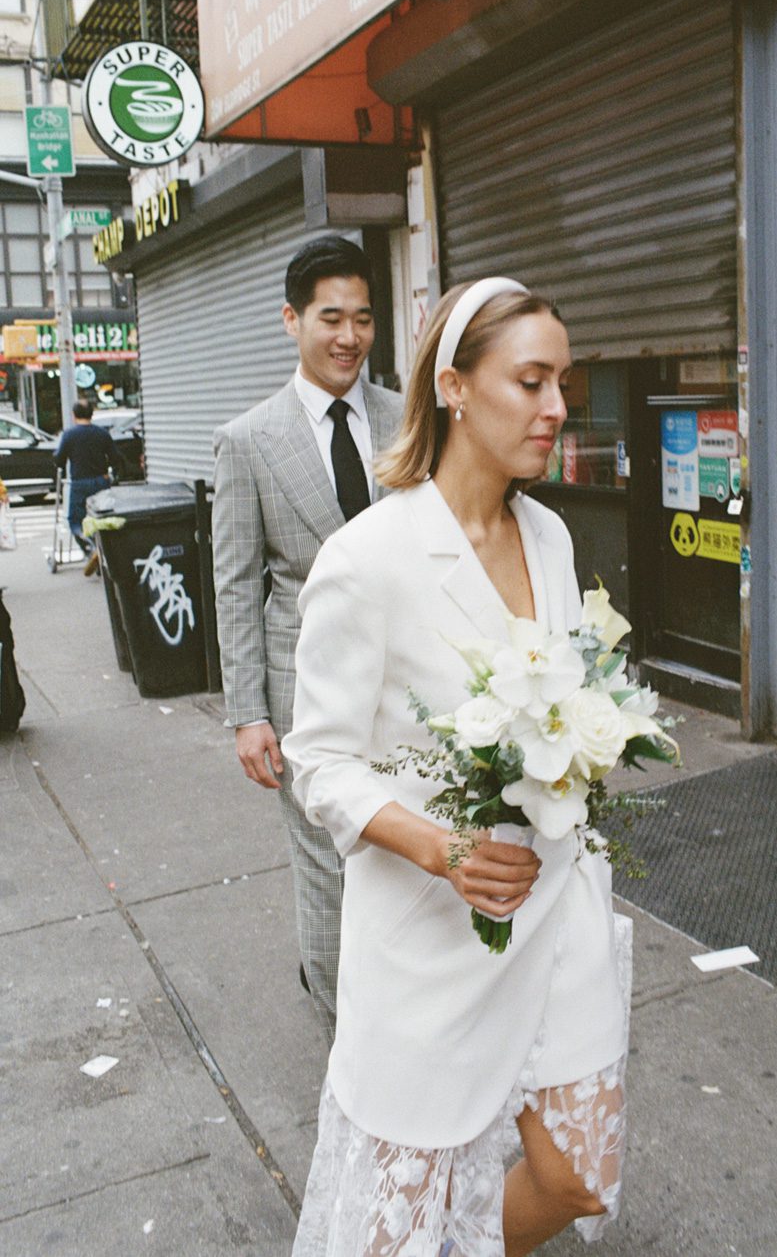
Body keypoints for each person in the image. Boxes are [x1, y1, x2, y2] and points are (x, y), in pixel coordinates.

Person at [282, 278, 630, 1256]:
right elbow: (320, 759)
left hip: (559, 913)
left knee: (579, 1176)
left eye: (564, 379)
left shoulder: (553, 534)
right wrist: (443, 847)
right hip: (437, 941)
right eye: (531, 379)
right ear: (456, 386)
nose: (559, 405)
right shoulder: (370, 558)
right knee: (402, 1225)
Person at [211, 235, 403, 1042]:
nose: (349, 337)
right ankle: (346, 1030)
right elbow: (235, 582)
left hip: (405, 682)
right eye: (331, 317)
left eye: (363, 319)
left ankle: (401, 1010)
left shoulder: (405, 416)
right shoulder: (249, 441)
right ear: (293, 321)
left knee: (399, 849)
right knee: (327, 866)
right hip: (305, 690)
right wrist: (247, 712)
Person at [53, 400, 121, 575]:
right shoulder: (102, 434)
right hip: (101, 481)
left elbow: (59, 460)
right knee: (101, 519)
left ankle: (91, 548)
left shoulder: (69, 435)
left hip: (79, 482)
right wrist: (114, 477)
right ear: (92, 414)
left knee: (75, 520)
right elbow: (115, 457)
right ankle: (102, 549)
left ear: (74, 415)